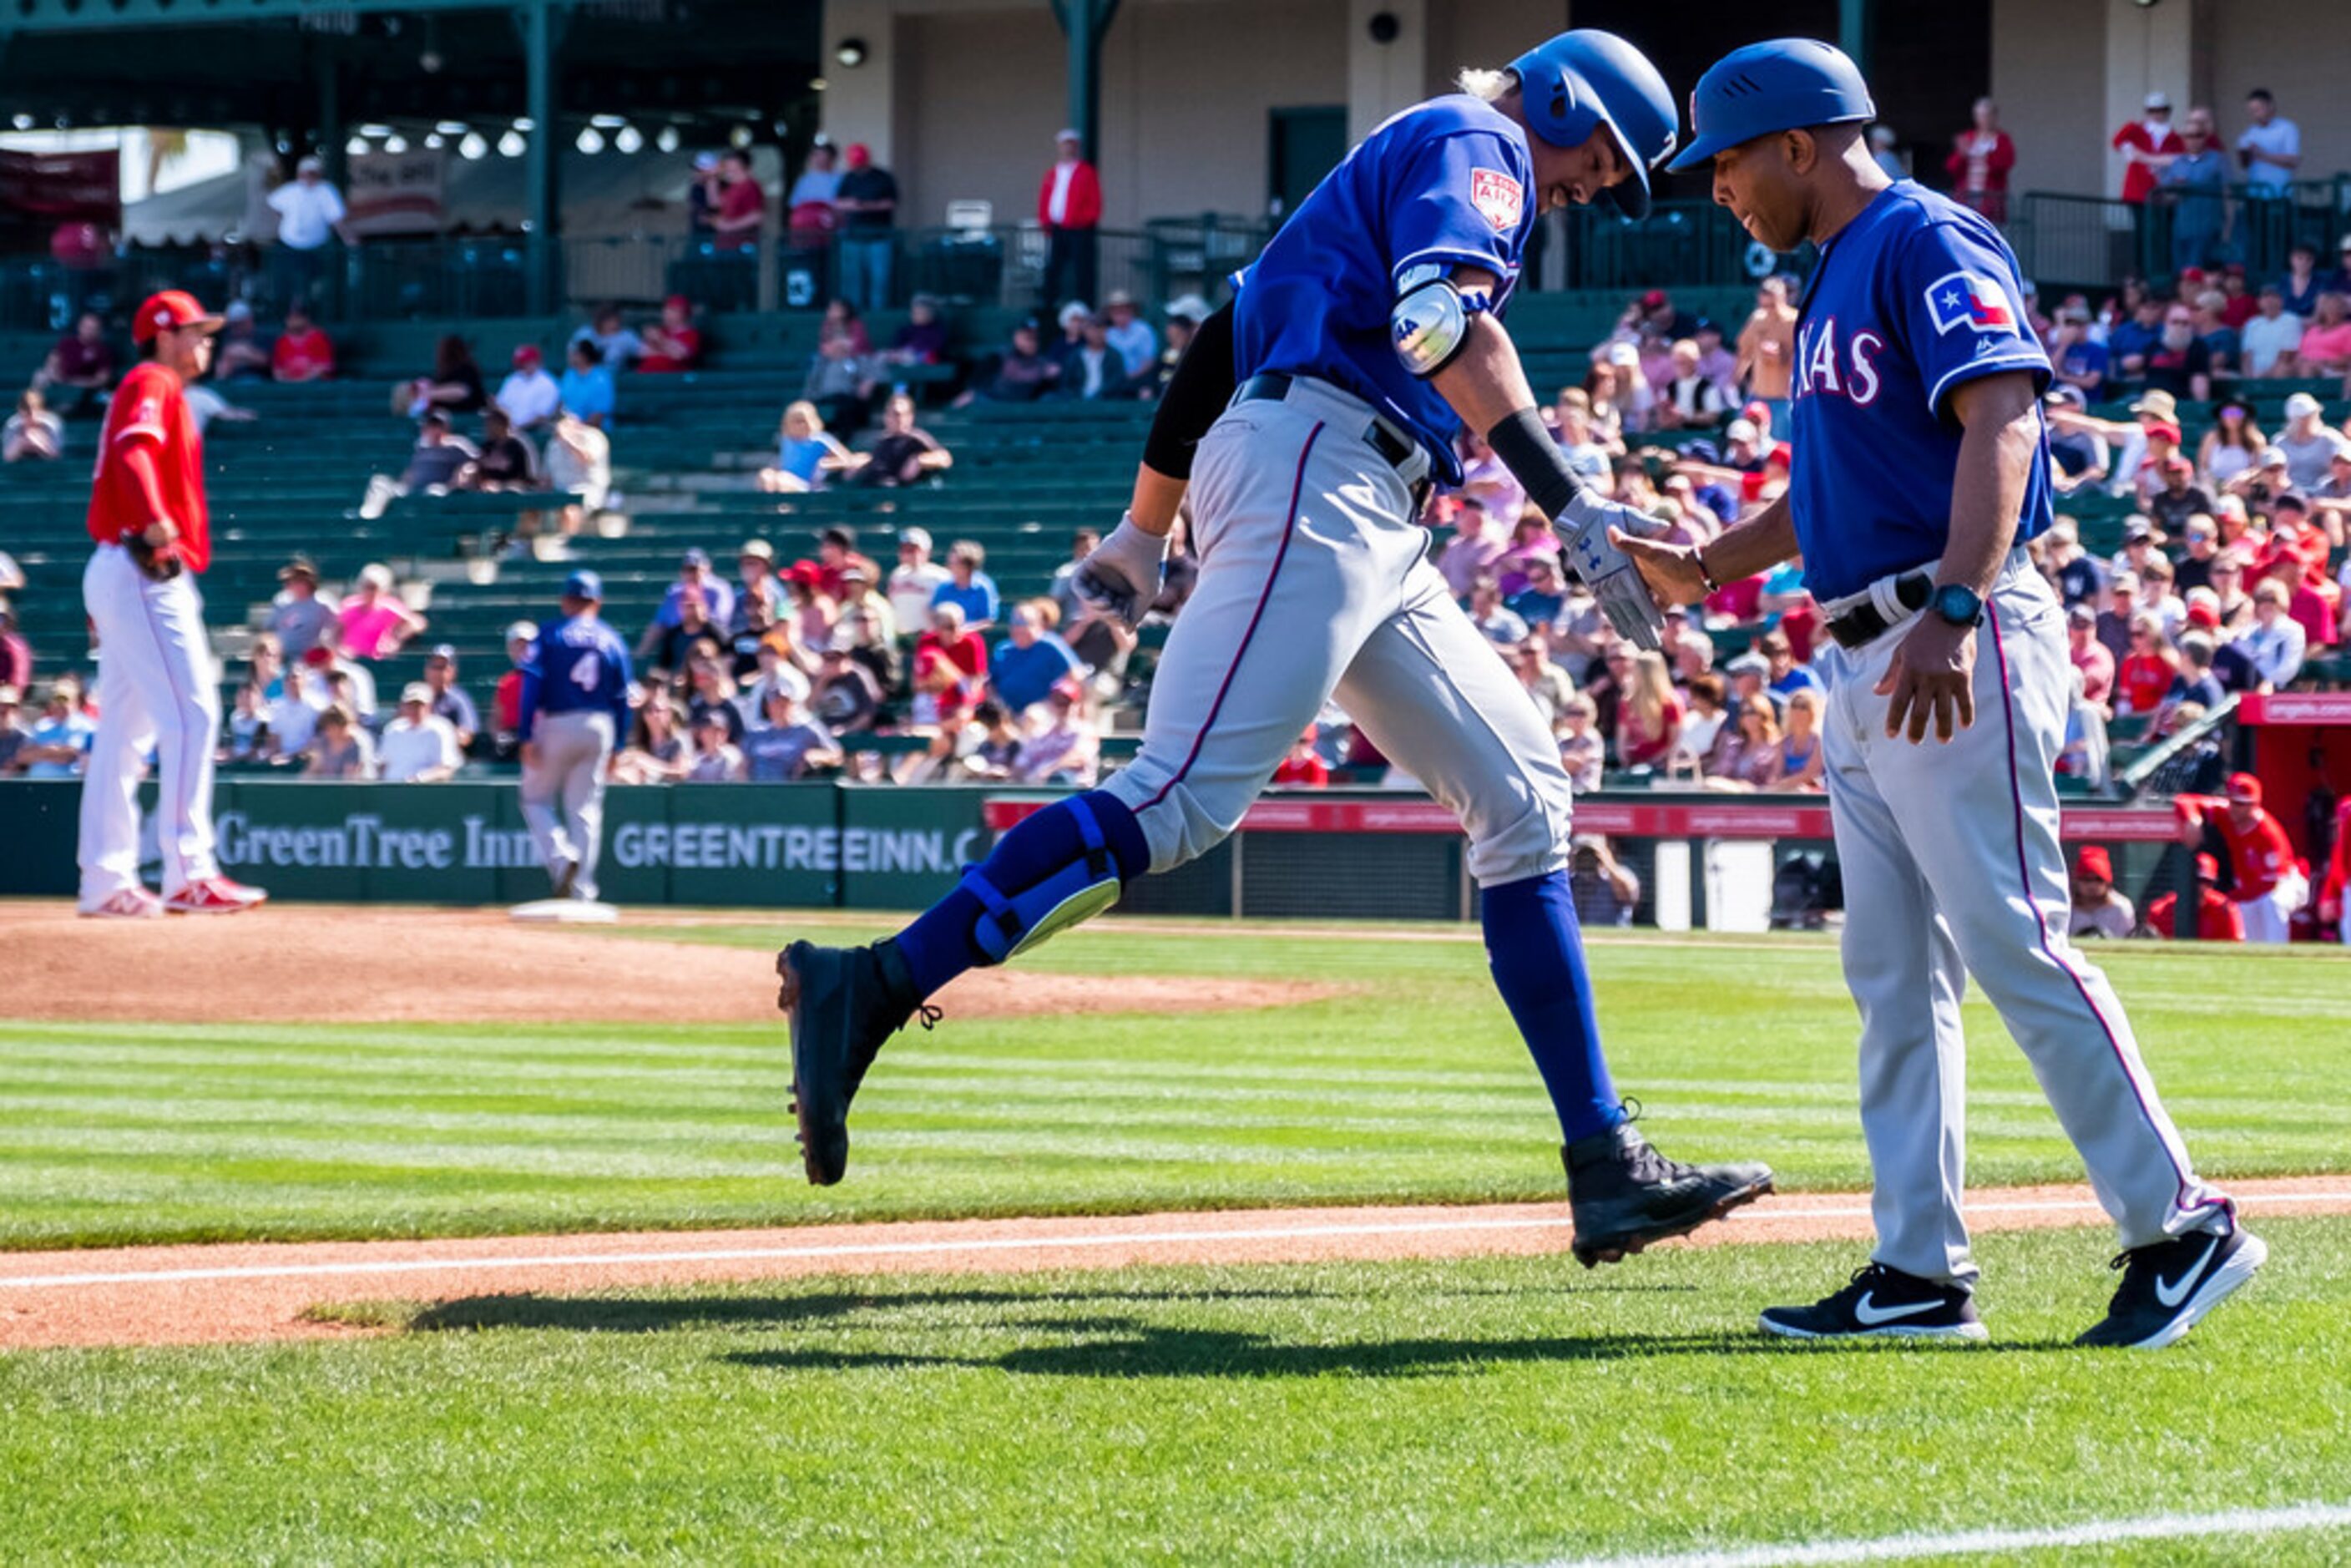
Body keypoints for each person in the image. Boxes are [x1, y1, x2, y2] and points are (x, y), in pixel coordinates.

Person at [776, 29, 1772, 1269]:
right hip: (1327, 466)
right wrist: (1569, 508)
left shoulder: (1411, 159)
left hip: (1361, 494)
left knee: (1526, 799)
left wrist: (1144, 538)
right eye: (1601, 159)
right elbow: (1436, 321)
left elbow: (1218, 339)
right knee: (1179, 800)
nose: (1592, 189)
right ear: (1563, 101)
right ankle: (868, 983)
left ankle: (1605, 1165)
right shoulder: (1482, 142)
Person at [1633, 39, 2254, 1350]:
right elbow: (1826, 491)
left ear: (1800, 145)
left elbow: (2006, 418)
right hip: (1862, 647)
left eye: (1730, 162)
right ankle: (1918, 1268)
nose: (1719, 189)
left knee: (2016, 940)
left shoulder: (1924, 236)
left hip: (1944, 629)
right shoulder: (1833, 273)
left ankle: (2185, 1223)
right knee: (1891, 975)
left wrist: (1958, 607)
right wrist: (1700, 564)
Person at [75, 291, 269, 917]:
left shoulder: (152, 382)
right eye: (196, 331)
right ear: (163, 335)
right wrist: (153, 519)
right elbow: (133, 453)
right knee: (193, 714)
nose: (206, 342)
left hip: (119, 565)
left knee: (125, 736)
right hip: (141, 565)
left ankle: (105, 881)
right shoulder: (154, 377)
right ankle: (189, 871)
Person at [518, 570, 631, 903]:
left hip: (558, 720)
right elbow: (623, 698)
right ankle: (583, 890)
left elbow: (531, 687)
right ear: (597, 602)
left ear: (566, 601)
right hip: (600, 724)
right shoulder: (612, 638)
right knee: (584, 809)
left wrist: (526, 735)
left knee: (534, 798)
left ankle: (560, 856)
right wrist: (620, 744)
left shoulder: (550, 634)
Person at [266, 155, 352, 309]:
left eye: (313, 173)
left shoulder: (326, 191)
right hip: (290, 245)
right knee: (286, 284)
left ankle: (311, 312)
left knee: (314, 285)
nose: (309, 177)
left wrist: (349, 239)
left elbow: (337, 219)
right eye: (306, 173)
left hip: (317, 247)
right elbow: (274, 205)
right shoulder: (290, 190)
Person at [2156, 107, 2227, 276]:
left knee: (2199, 275)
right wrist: (2166, 195)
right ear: (2183, 139)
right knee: (2181, 275)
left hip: (2208, 229)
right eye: (2189, 136)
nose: (2193, 140)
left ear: (2205, 138)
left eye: (2198, 135)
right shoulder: (2177, 163)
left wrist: (2228, 230)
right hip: (2181, 229)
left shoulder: (2218, 160)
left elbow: (2229, 194)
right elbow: (2168, 196)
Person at [1038, 129, 1103, 311]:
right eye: (1064, 145)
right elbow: (1045, 199)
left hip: (1079, 229)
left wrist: (1083, 221)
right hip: (1057, 228)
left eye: (1071, 145)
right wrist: (1044, 221)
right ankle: (1049, 305)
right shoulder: (1052, 173)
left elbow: (1094, 202)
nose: (1068, 149)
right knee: (1053, 269)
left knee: (1082, 270)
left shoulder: (1086, 172)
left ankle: (1084, 307)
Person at [833, 144, 898, 312]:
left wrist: (868, 206)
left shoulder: (882, 177)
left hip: (879, 236)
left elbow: (891, 202)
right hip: (853, 236)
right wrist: (853, 205)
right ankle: (853, 316)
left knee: (880, 279)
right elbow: (838, 202)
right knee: (852, 281)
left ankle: (878, 314)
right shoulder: (849, 178)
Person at [844, 393, 952, 487]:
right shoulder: (879, 441)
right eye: (894, 415)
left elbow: (944, 458)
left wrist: (919, 460)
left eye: (902, 415)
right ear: (886, 417)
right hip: (871, 489)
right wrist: (862, 463)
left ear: (910, 416)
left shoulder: (916, 439)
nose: (899, 419)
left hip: (897, 495)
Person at [2145, 852, 2244, 940]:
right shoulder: (2160, 912)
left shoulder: (2224, 910)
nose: (2200, 887)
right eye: (2196, 880)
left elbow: (2236, 950)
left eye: (2207, 882)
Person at [33, 312, 116, 418]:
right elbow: (52, 361)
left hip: (84, 388)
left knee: (74, 398)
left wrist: (78, 383)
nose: (89, 331)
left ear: (99, 330)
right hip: (61, 381)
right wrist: (56, 375)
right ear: (80, 327)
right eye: (87, 327)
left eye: (93, 328)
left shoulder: (102, 350)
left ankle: (55, 413)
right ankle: (34, 407)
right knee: (40, 376)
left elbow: (102, 379)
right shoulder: (66, 343)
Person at [1944, 98, 2013, 224]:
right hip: (1966, 199)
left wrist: (1986, 157)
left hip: (1991, 202)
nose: (1984, 119)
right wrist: (1962, 155)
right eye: (1980, 116)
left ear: (1994, 117)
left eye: (1987, 115)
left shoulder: (2002, 139)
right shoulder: (1968, 137)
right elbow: (1952, 167)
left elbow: (2006, 163)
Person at [378, 683, 462, 783]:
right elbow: (382, 765)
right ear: (403, 706)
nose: (415, 710)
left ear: (429, 706)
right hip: (390, 792)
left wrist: (418, 779)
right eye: (410, 705)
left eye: (420, 705)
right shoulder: (392, 729)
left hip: (425, 792)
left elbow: (447, 769)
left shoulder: (441, 729)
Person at [2111, 91, 2181, 207]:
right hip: (2137, 191)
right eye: (2152, 110)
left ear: (2168, 111)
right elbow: (2117, 142)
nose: (2157, 114)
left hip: (2162, 192)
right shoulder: (2134, 129)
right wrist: (2130, 150)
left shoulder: (2176, 138)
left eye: (2161, 110)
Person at [2235, 89, 2299, 195]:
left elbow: (2293, 162)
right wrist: (2244, 156)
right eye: (2251, 111)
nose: (2255, 115)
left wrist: (2263, 155)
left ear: (2270, 106)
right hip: (2254, 193)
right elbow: (2245, 165)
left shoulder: (2287, 128)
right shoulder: (2250, 132)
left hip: (2278, 193)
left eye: (2258, 110)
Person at [2065, 846, 2136, 939]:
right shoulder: (2066, 907)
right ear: (2077, 881)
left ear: (2107, 882)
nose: (2092, 885)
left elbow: (2127, 941)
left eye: (2098, 880)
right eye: (2086, 880)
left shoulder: (2121, 908)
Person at [496, 346, 561, 432]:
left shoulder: (548, 384)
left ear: (535, 362)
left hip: (533, 432)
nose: (521, 367)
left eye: (524, 363)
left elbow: (541, 417)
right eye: (519, 363)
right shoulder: (514, 379)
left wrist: (517, 429)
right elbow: (501, 405)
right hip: (508, 430)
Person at [557, 340, 616, 429]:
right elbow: (561, 404)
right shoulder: (569, 374)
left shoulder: (601, 379)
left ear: (584, 356)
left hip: (594, 433)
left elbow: (598, 417)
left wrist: (576, 428)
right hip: (570, 431)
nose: (569, 357)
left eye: (574, 354)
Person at [637, 296, 702, 373]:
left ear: (684, 314)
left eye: (673, 311)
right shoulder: (661, 331)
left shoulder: (692, 334)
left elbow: (679, 356)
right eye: (666, 310)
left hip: (670, 378)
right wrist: (668, 350)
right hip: (644, 375)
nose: (667, 314)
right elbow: (642, 353)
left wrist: (660, 340)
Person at [270, 305, 334, 382]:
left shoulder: (319, 338)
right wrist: (290, 383)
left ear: (306, 319)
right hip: (288, 387)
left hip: (314, 386)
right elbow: (277, 372)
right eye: (290, 317)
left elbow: (323, 371)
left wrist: (301, 383)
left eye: (297, 317)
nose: (293, 321)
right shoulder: (281, 341)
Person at [3, 388, 63, 463]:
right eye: (26, 410)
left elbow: (57, 455)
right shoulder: (12, 425)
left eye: (36, 409)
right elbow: (7, 457)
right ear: (19, 410)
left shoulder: (52, 425)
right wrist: (21, 439)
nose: (32, 415)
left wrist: (40, 443)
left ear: (42, 410)